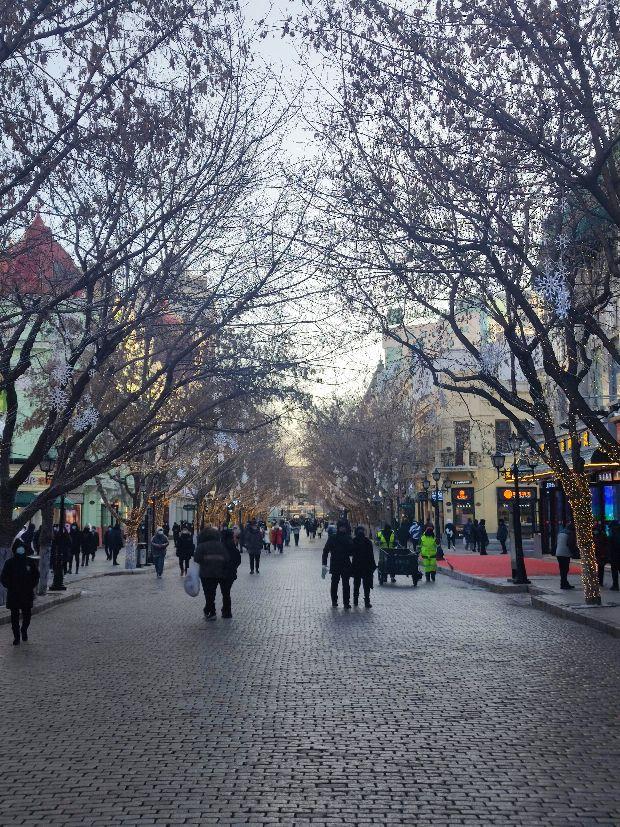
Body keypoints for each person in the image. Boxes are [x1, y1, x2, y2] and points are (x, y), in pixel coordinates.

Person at [194, 526, 241, 619]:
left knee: (209, 594)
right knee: (216, 593)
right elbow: (226, 558)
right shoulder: (220, 545)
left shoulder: (201, 546)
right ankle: (220, 612)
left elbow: (197, 559)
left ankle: (211, 612)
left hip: (205, 573)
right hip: (217, 572)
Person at [1, 537, 40, 645]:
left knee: (27, 616)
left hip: (26, 593)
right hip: (14, 594)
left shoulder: (30, 562)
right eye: (18, 548)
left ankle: (24, 630)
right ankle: (16, 636)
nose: (20, 550)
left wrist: (31, 585)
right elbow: (4, 577)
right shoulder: (9, 563)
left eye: (21, 548)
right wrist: (10, 586)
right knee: (14, 616)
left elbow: (36, 575)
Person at [322, 519, 353, 608]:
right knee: (335, 583)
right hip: (336, 563)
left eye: (344, 527)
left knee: (346, 584)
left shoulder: (348, 538)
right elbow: (325, 551)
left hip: (345, 563)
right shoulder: (333, 537)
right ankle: (334, 601)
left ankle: (346, 603)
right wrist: (324, 563)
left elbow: (352, 551)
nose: (343, 529)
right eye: (341, 527)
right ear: (339, 528)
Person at [351, 525, 376, 608]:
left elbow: (350, 553)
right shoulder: (367, 541)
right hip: (366, 566)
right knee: (366, 585)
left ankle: (355, 600)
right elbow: (371, 555)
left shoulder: (354, 541)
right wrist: (373, 566)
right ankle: (366, 601)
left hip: (357, 566)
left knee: (357, 584)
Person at [555, 523, 575, 590]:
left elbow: (557, 543)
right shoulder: (570, 533)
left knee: (562, 569)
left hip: (558, 553)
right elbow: (570, 544)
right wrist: (573, 553)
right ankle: (564, 583)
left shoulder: (560, 533)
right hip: (565, 553)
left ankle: (564, 583)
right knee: (565, 569)